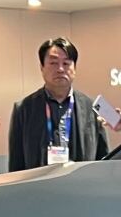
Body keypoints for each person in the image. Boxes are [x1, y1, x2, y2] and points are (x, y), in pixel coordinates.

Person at [9, 37, 110, 171]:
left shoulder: (94, 106)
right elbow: (16, 162)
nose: (60, 69)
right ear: (42, 67)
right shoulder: (23, 108)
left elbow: (103, 157)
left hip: (82, 186)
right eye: (53, 63)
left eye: (66, 63)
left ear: (75, 68)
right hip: (39, 187)